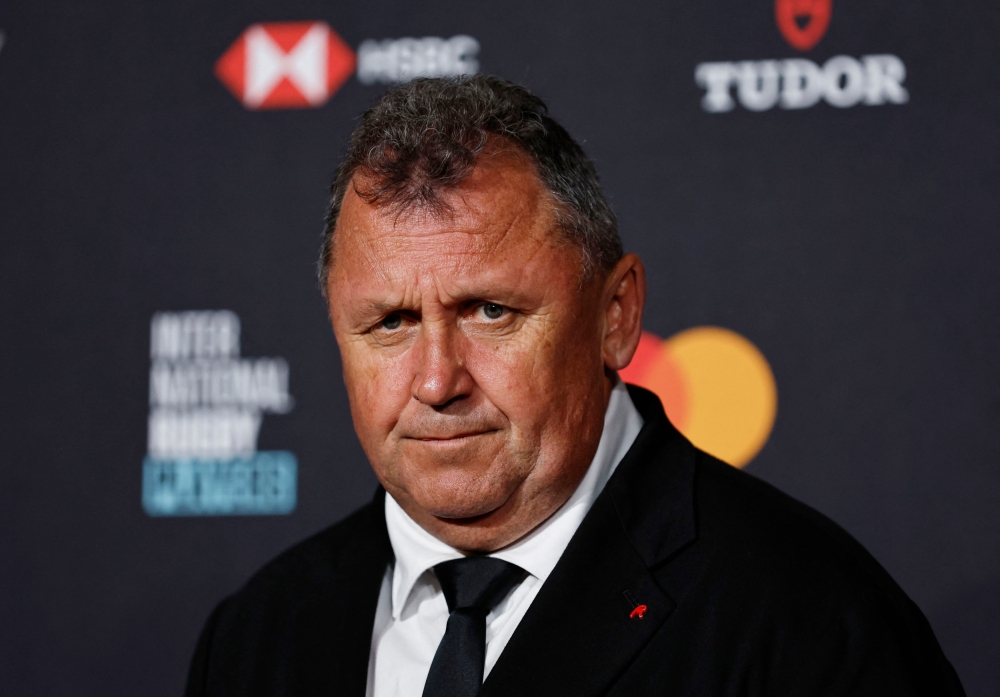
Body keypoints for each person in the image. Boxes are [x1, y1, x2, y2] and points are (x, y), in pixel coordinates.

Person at [184, 76, 964, 697]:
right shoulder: (259, 638)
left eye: (490, 311)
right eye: (388, 322)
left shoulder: (807, 621)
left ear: (615, 316)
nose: (435, 379)